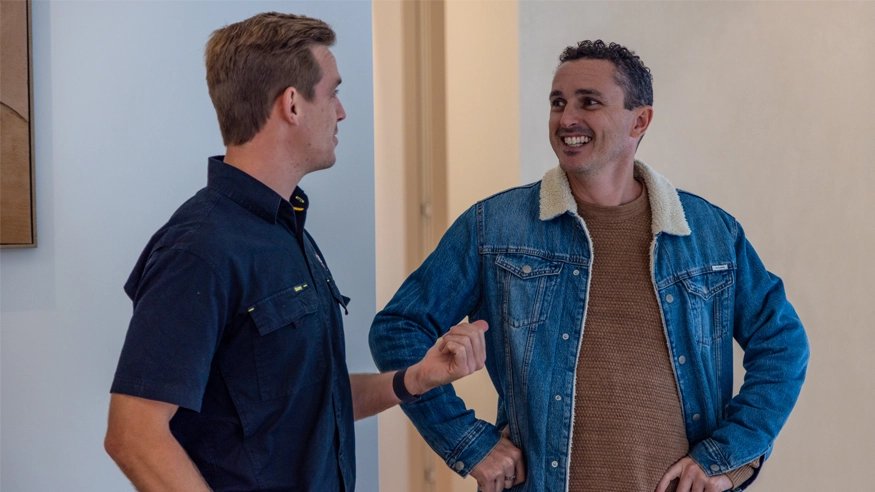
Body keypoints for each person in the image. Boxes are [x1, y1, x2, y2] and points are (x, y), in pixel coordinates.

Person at [369, 40, 809, 492]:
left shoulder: (711, 234)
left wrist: (728, 456)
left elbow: (782, 342)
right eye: (558, 103)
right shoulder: (493, 227)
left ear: (640, 121)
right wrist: (469, 443)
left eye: (589, 102)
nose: (566, 119)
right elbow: (399, 328)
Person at [103, 12, 488, 492]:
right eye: (332, 93)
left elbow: (309, 399)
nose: (342, 112)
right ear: (292, 104)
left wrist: (413, 378)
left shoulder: (289, 231)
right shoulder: (199, 249)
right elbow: (133, 435)